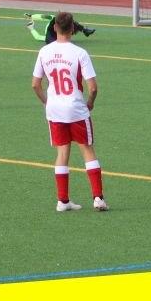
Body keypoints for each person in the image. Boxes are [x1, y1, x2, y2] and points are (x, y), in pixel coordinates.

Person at [31, 12, 108, 212]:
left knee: (62, 152)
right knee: (87, 150)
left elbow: (35, 85)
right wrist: (90, 103)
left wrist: (47, 102)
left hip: (55, 110)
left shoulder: (44, 52)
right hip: (76, 109)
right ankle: (98, 198)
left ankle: (63, 201)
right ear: (73, 29)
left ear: (55, 28)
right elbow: (93, 88)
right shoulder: (80, 53)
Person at [25, 12, 96, 44]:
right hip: (53, 33)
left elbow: (44, 17)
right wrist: (32, 28)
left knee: (67, 19)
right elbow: (38, 37)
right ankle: (84, 30)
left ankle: (84, 30)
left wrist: (31, 18)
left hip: (55, 31)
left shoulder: (56, 21)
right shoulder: (51, 37)